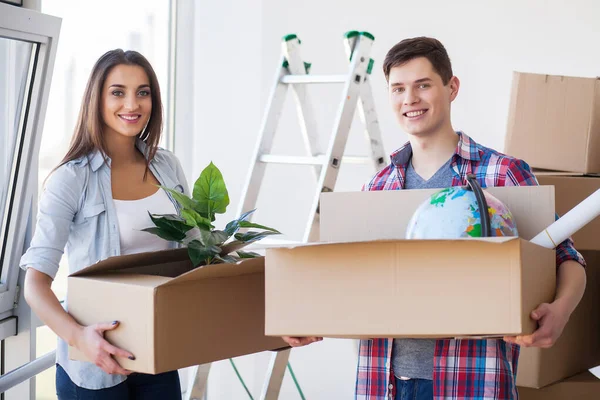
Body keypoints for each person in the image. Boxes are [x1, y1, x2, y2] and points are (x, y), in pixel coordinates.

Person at [282, 37, 587, 400]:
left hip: (471, 381)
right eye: (398, 89)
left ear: (451, 87)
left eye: (422, 85)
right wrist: (306, 316)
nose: (409, 99)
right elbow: (353, 277)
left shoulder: (502, 174)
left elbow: (567, 258)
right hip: (383, 383)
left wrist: (561, 312)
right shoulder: (377, 187)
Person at [20, 49, 188, 399]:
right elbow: (35, 284)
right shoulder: (71, 179)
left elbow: (195, 259)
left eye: (143, 92)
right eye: (118, 92)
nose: (133, 103)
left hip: (157, 353)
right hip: (93, 367)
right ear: (97, 99)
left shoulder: (167, 166)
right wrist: (79, 337)